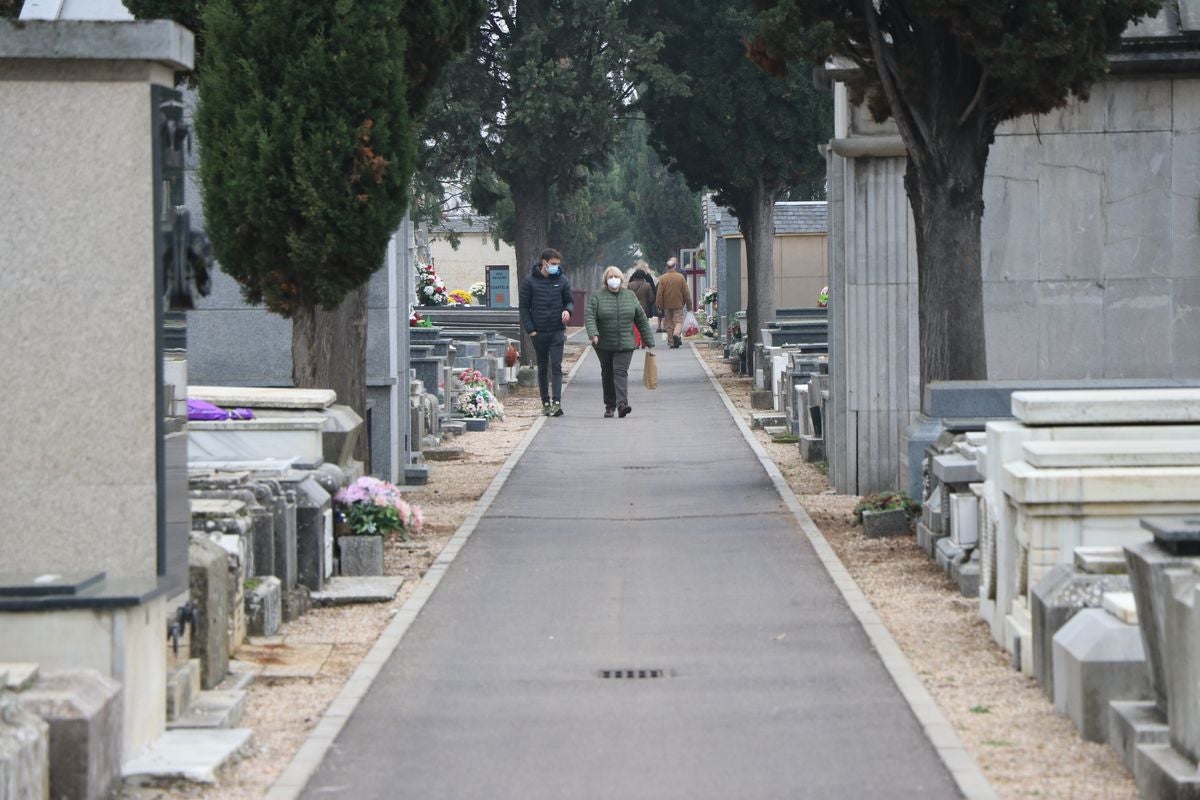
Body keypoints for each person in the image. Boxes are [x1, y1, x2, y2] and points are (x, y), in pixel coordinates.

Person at [585, 266, 655, 418]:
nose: (613, 280)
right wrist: (593, 334)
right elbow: (590, 316)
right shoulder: (597, 296)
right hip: (603, 343)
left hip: (625, 343)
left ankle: (622, 404)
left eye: (616, 277)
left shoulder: (629, 295)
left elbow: (641, 319)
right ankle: (609, 406)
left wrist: (649, 340)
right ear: (605, 280)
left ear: (621, 279)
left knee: (620, 372)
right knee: (607, 373)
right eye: (610, 277)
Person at [519, 248, 573, 416]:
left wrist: (568, 311)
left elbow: (569, 301)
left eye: (557, 264)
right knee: (543, 366)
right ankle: (545, 402)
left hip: (557, 330)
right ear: (544, 263)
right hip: (539, 332)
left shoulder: (562, 281)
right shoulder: (529, 282)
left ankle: (557, 402)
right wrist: (531, 330)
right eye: (553, 264)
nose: (555, 267)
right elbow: (524, 308)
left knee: (556, 366)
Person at [655, 257, 690, 348]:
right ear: (674, 266)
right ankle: (676, 334)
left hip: (667, 305)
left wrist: (658, 306)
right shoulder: (680, 277)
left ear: (666, 268)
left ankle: (671, 342)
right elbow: (686, 292)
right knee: (678, 321)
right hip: (678, 303)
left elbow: (659, 293)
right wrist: (689, 305)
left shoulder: (662, 278)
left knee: (669, 324)